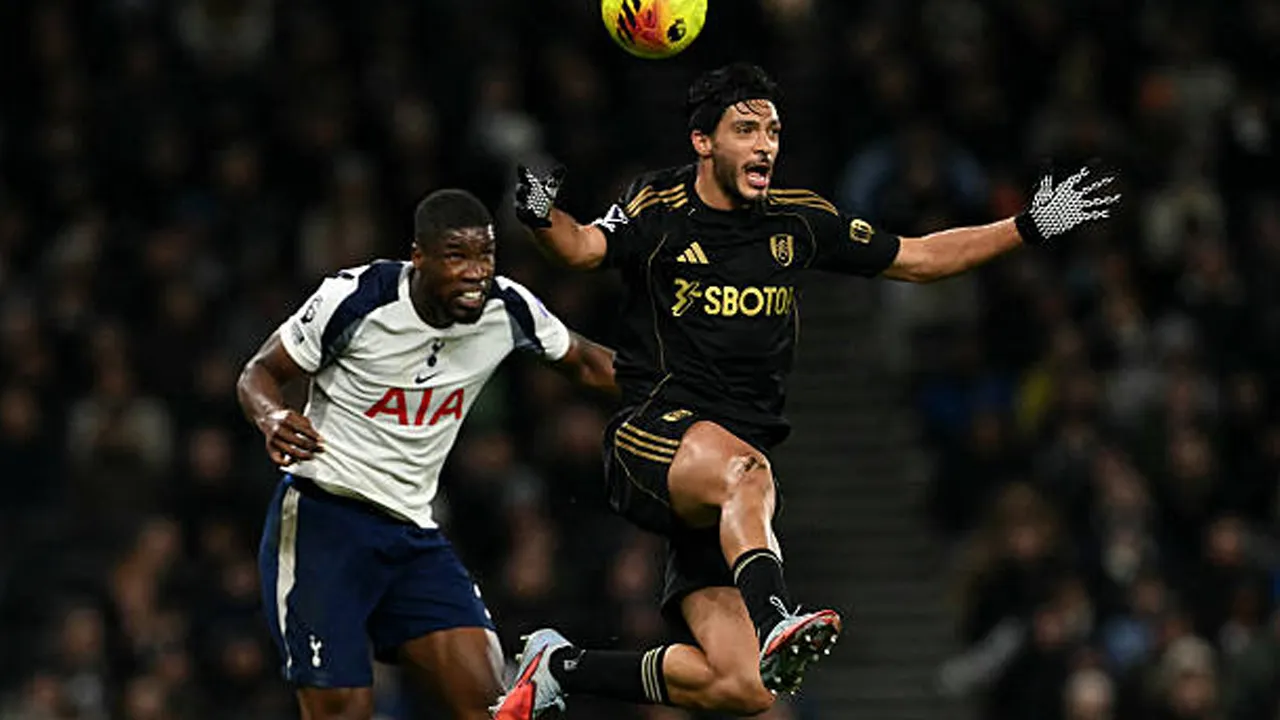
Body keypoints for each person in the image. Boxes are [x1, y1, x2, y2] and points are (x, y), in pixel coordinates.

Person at [493, 62, 1120, 718]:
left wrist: (1026, 226)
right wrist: (540, 217)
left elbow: (920, 257)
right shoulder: (660, 207)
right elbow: (584, 248)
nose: (765, 143)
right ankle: (775, 618)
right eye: (746, 129)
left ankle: (560, 666)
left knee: (745, 688)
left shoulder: (798, 221)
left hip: (724, 484)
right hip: (653, 436)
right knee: (746, 474)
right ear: (703, 142)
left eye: (773, 130)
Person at [235, 189, 618, 720]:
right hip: (324, 521)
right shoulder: (357, 297)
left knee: (495, 704)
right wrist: (270, 416)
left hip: (412, 535)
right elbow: (258, 372)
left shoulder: (507, 309)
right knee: (343, 709)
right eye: (457, 256)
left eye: (484, 255)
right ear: (419, 257)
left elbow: (588, 362)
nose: (475, 272)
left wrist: (685, 394)